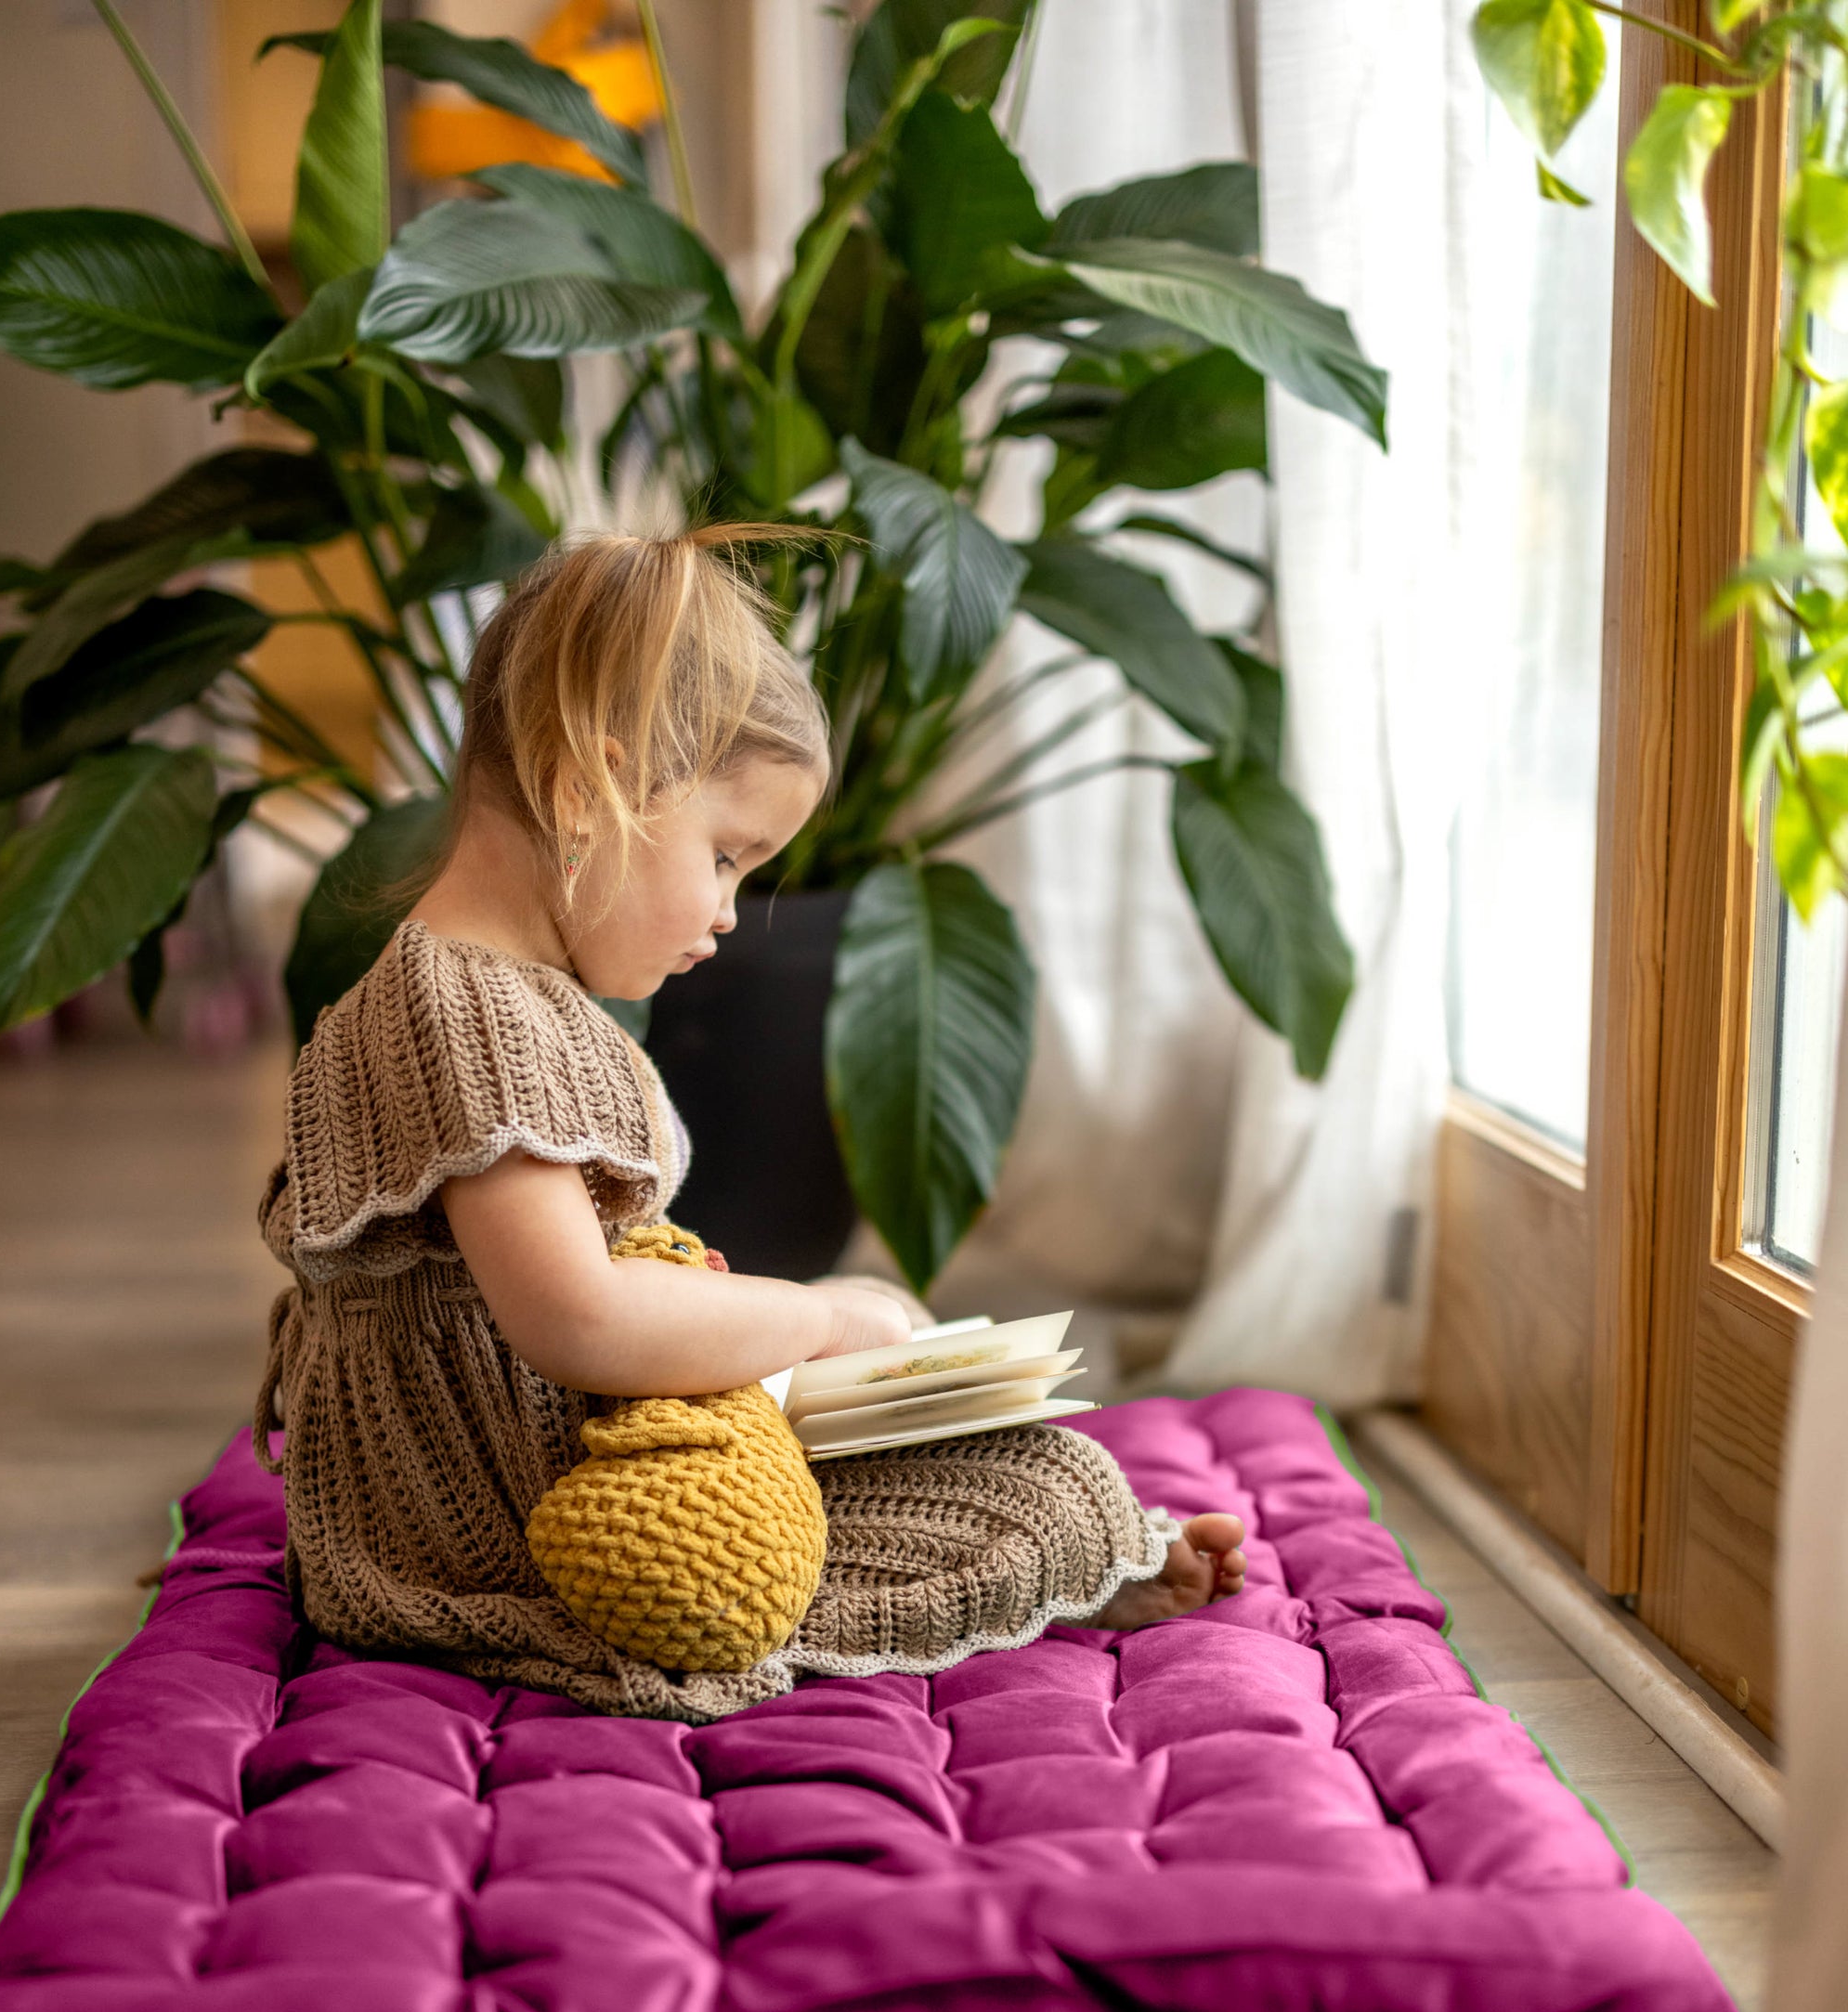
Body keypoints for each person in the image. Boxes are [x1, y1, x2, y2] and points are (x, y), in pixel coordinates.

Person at [254, 527, 1247, 1721]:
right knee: (1039, 1492)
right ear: (589, 792)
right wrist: (824, 1314)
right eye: (723, 856)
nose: (730, 911)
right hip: (516, 1521)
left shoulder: (487, 994)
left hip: (569, 1455)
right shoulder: (468, 1019)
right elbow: (577, 1316)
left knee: (974, 1448)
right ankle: (1082, 1563)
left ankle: (1073, 1542)